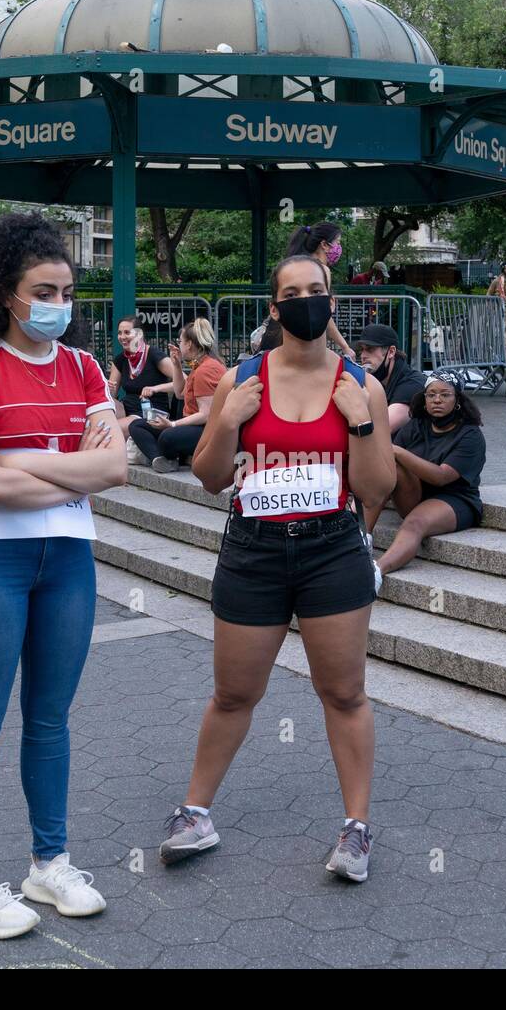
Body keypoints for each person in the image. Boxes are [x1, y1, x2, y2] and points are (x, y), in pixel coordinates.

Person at [157, 253, 395, 882]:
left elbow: (375, 488)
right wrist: (228, 421)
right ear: (275, 307)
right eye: (291, 292)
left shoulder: (358, 383)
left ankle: (356, 829)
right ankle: (195, 812)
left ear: (332, 301)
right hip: (254, 551)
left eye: (316, 290)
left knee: (343, 692)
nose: (305, 301)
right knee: (234, 693)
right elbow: (210, 479)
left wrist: (363, 422)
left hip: (332, 549)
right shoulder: (242, 378)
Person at [0, 211, 124, 940]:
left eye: (69, 289)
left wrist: (19, 467)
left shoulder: (81, 366)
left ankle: (50, 861)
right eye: (44, 288)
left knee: (50, 720)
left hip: (68, 562)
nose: (60, 303)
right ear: (5, 293)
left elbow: (115, 467)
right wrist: (68, 471)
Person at [365, 370, 485, 579]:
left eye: (445, 394)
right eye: (431, 395)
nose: (437, 400)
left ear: (457, 399)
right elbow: (388, 458)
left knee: (415, 523)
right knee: (385, 474)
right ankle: (361, 540)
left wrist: (399, 451)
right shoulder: (417, 425)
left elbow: (441, 477)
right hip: (415, 494)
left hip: (454, 499)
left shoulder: (470, 435)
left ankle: (376, 572)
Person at [128, 317, 224, 473]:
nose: (178, 344)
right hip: (191, 424)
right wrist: (176, 365)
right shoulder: (198, 365)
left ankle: (177, 455)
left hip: (206, 429)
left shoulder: (206, 369)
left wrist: (172, 425)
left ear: (189, 344)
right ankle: (160, 459)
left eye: (180, 341)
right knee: (137, 425)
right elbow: (179, 393)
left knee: (167, 437)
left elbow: (206, 414)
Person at [285, 222, 357, 360]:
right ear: (324, 245)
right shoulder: (321, 270)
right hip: (304, 342)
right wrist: (345, 346)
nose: (338, 247)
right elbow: (322, 313)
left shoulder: (294, 265)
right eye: (337, 242)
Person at [107, 314, 180, 442]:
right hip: (126, 409)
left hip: (150, 411)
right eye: (119, 333)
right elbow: (112, 395)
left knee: (110, 431)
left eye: (127, 332)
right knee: (102, 417)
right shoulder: (120, 360)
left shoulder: (154, 355)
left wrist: (156, 388)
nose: (122, 337)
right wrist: (108, 389)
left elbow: (185, 382)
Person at [353, 323, 424, 433]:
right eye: (361, 350)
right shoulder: (378, 381)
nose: (363, 355)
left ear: (391, 352)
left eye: (370, 349)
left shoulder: (412, 384)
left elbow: (380, 430)